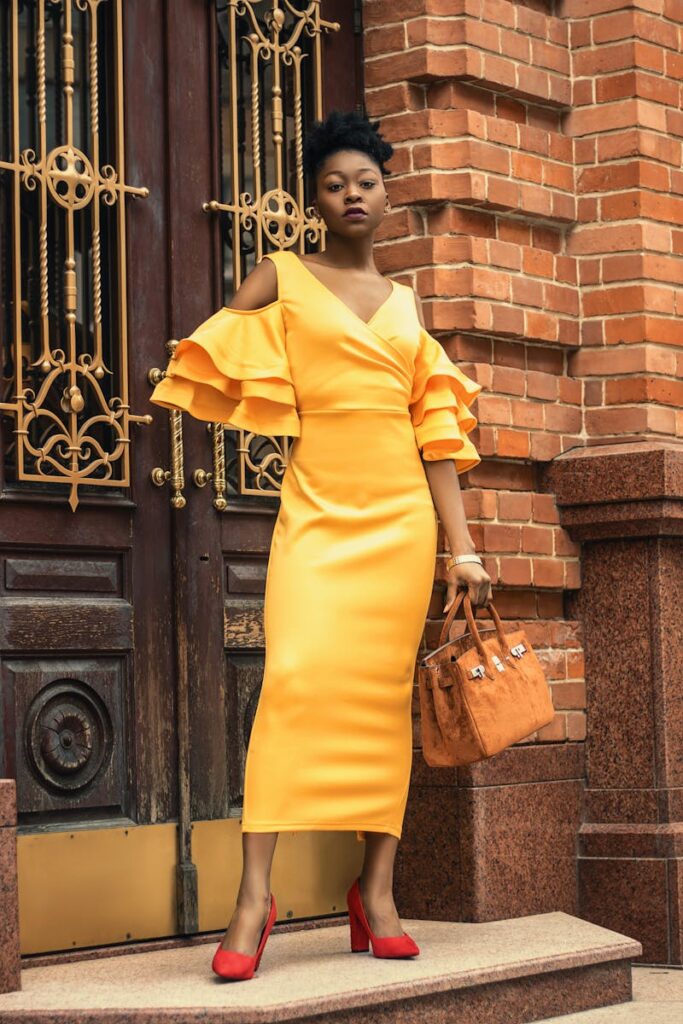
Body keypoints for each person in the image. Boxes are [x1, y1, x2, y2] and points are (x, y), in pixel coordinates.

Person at [150, 109, 491, 981]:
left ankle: (375, 892)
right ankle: (253, 899)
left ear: (387, 196)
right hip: (315, 513)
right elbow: (222, 349)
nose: (351, 195)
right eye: (334, 184)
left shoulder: (411, 308)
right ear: (314, 198)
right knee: (293, 685)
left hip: (400, 525)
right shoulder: (283, 277)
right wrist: (255, 320)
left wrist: (464, 552)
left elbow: (439, 441)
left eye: (365, 182)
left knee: (381, 704)